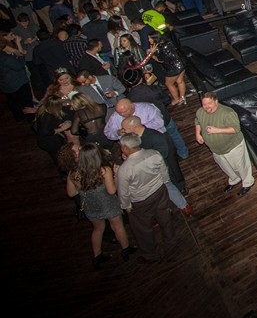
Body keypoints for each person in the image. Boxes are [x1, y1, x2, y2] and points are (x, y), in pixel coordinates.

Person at [65, 142, 135, 269]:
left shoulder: (73, 173)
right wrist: (116, 175)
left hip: (91, 206)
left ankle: (97, 256)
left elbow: (71, 193)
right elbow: (112, 190)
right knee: (117, 227)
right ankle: (126, 250)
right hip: (107, 203)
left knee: (97, 230)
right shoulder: (103, 170)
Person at [116, 133, 177, 262]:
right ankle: (171, 240)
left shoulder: (124, 169)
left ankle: (150, 254)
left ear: (126, 148)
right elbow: (164, 172)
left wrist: (126, 205)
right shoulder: (154, 154)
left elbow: (123, 192)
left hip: (140, 200)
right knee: (165, 216)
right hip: (159, 191)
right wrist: (164, 183)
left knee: (142, 228)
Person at [120, 115, 192, 216]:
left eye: (125, 129)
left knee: (167, 186)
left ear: (133, 127)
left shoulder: (155, 136)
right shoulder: (133, 139)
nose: (123, 131)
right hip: (144, 171)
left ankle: (183, 205)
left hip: (156, 169)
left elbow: (163, 154)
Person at [194, 92, 255, 196]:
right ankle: (234, 179)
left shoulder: (227, 113)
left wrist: (216, 130)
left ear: (216, 101)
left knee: (241, 166)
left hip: (233, 146)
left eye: (210, 103)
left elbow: (236, 128)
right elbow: (197, 121)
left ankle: (248, 183)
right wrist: (197, 134)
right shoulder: (200, 111)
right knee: (226, 167)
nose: (207, 107)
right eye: (204, 104)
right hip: (216, 150)